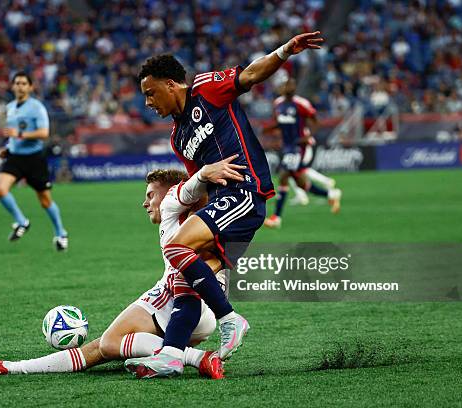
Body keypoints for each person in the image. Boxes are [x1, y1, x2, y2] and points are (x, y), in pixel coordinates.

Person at [129, 31, 324, 375]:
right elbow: (200, 186)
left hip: (244, 193)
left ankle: (230, 318)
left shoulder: (206, 89)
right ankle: (172, 355)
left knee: (175, 248)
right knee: (182, 278)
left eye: (150, 92)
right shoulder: (178, 137)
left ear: (172, 84)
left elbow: (250, 74)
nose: (147, 102)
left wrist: (284, 51)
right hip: (221, 206)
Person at [0, 160, 242, 379]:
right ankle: (11, 367)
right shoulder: (205, 222)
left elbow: (190, 189)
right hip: (204, 308)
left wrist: (203, 173)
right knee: (102, 349)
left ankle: (198, 358)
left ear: (170, 192)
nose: (145, 202)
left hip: (177, 297)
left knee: (108, 343)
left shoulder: (174, 206)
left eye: (151, 194)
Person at [0, 72, 68, 251]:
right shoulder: (10, 107)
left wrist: (19, 135)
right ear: (12, 87)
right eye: (17, 83)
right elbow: (13, 135)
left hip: (34, 158)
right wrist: (8, 148)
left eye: (23, 83)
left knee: (45, 201)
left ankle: (61, 234)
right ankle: (21, 222)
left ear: (30, 87)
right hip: (15, 157)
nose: (20, 86)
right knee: (0, 189)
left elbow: (44, 133)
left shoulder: (37, 107)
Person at [263, 78, 341, 229]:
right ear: (282, 88)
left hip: (299, 146)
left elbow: (316, 121)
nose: (289, 87)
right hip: (287, 147)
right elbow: (280, 122)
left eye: (292, 85)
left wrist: (309, 135)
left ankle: (276, 218)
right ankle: (330, 194)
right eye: (287, 84)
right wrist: (270, 130)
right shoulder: (278, 104)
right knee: (300, 182)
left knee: (284, 175)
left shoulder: (301, 104)